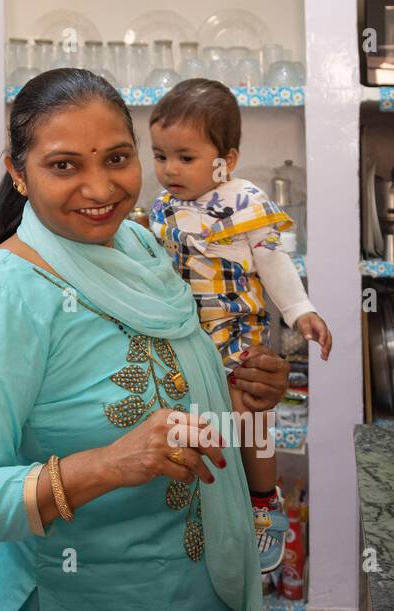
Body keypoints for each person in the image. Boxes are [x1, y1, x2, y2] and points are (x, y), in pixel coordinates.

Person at [0, 68, 293, 611]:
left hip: (199, 609)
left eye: (118, 159)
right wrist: (109, 464)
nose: (100, 188)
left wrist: (234, 396)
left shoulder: (138, 246)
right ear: (19, 172)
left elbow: (164, 395)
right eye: (65, 165)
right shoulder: (7, 293)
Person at [147, 78, 332, 572]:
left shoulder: (244, 202)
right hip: (184, 335)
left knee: (249, 415)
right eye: (160, 155)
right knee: (195, 426)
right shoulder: (164, 209)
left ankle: (263, 499)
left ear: (225, 159)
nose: (168, 169)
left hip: (236, 332)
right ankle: (204, 516)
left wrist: (301, 311)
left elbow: (272, 263)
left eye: (184, 157)